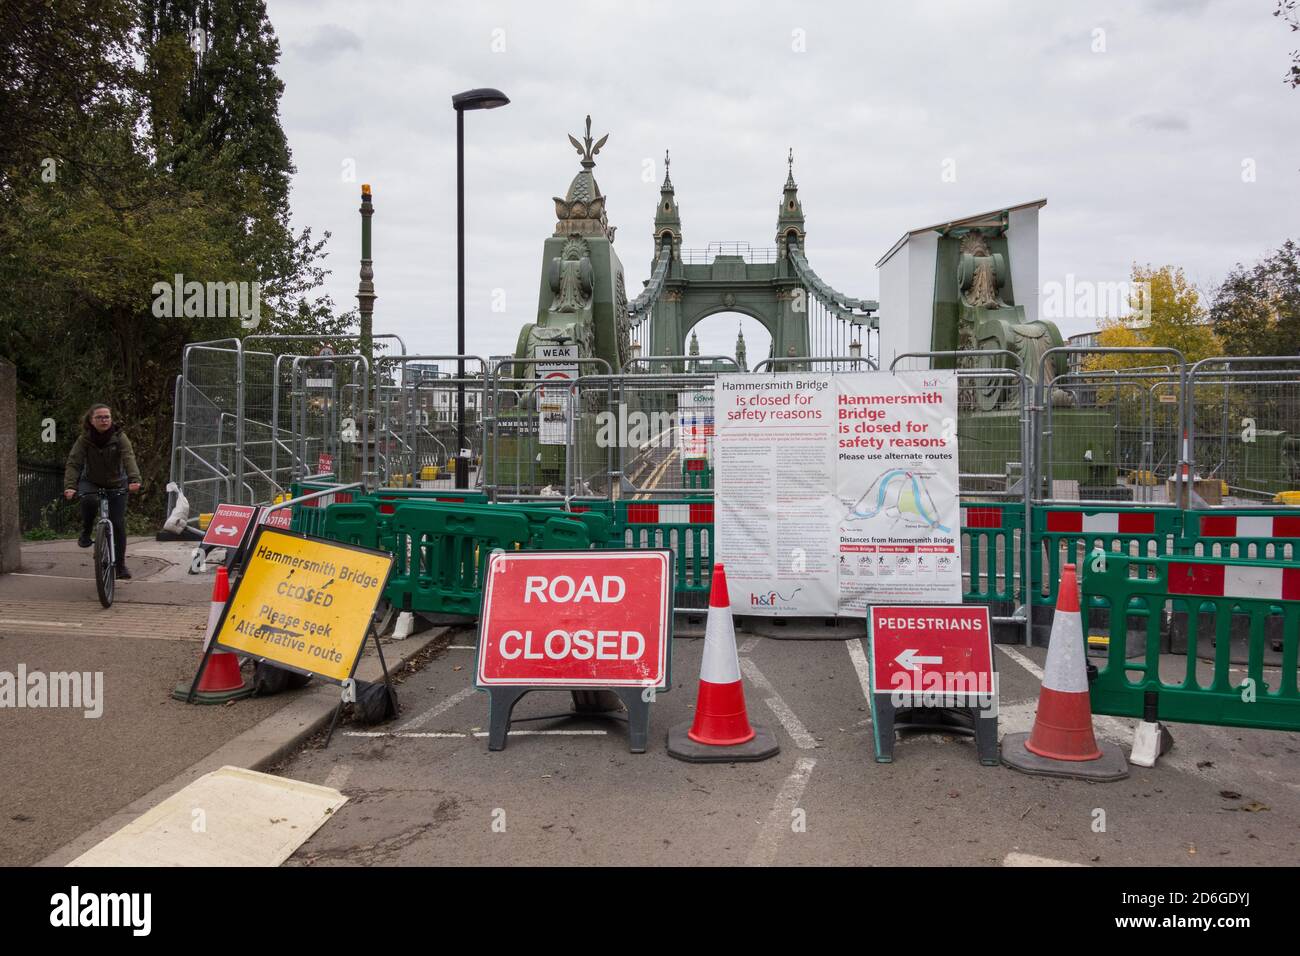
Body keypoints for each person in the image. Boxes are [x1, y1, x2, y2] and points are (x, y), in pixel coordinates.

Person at [63, 404, 142, 579]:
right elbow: (74, 463)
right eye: (99, 417)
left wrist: (134, 480)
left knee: (118, 525)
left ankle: (120, 566)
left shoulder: (119, 437)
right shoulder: (84, 440)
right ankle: (86, 531)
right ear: (91, 421)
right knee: (88, 500)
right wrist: (70, 486)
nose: (104, 420)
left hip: (117, 483)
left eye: (107, 416)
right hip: (91, 481)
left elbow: (129, 457)